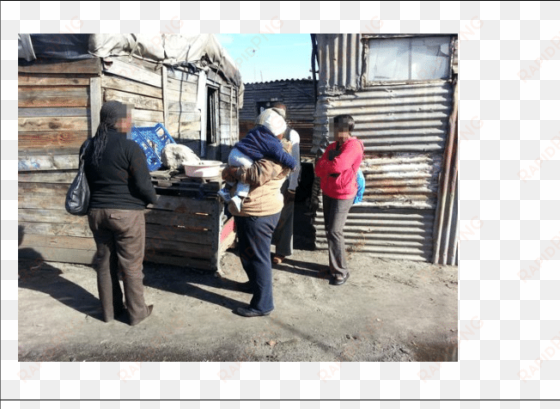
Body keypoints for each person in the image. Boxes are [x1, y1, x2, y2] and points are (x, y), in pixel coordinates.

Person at [82, 101, 158, 325]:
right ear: (120, 121)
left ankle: (110, 312)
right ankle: (136, 314)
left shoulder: (88, 146)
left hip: (96, 213)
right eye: (129, 118)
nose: (131, 122)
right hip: (126, 215)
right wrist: (153, 200)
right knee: (131, 265)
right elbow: (144, 185)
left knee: (105, 264)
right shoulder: (130, 148)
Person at [222, 108, 292, 317]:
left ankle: (263, 305)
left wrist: (232, 171)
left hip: (260, 211)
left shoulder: (278, 152)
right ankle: (254, 284)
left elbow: (255, 174)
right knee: (247, 253)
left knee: (259, 258)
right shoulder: (264, 147)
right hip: (249, 210)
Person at [315, 114, 364, 286]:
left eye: (336, 128)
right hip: (328, 190)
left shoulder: (353, 146)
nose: (333, 131)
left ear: (344, 129)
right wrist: (327, 167)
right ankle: (333, 266)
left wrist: (327, 166)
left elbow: (338, 165)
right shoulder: (333, 146)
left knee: (335, 231)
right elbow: (318, 167)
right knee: (329, 230)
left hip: (343, 194)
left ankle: (341, 271)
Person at [218, 109, 296, 212]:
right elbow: (281, 156)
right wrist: (293, 164)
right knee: (245, 179)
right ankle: (239, 198)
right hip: (244, 159)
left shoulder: (255, 132)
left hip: (234, 153)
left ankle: (225, 189)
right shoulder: (273, 144)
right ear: (278, 132)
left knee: (236, 174)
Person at [256, 103, 302, 265]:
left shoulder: (292, 134)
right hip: (266, 180)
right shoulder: (264, 132)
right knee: (266, 215)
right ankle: (263, 248)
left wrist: (292, 187)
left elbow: (296, 162)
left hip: (285, 182)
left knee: (285, 217)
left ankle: (281, 251)